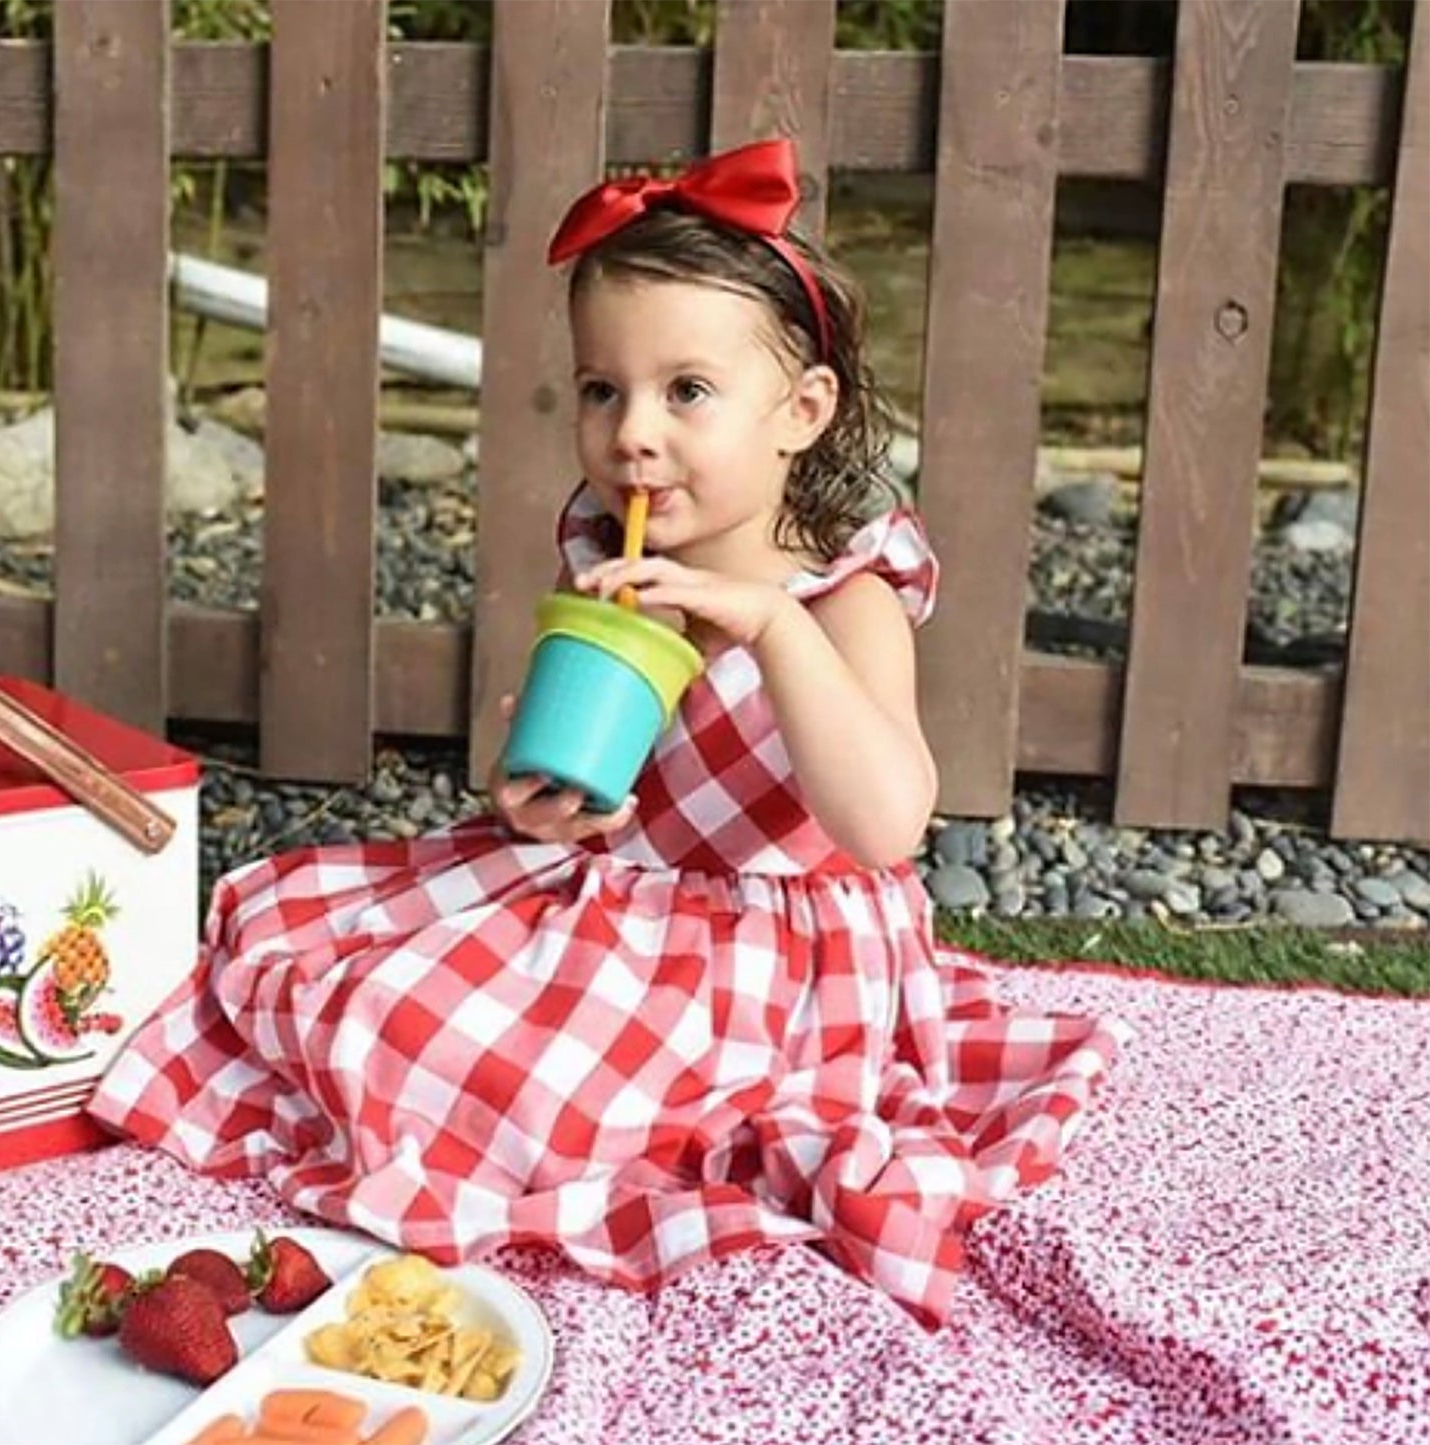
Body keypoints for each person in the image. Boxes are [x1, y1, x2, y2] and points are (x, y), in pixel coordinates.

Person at [90, 138, 1123, 1329]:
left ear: (800, 411)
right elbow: (563, 765)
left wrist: (770, 628)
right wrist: (529, 797)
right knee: (372, 999)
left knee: (558, 1105)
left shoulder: (846, 596)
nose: (631, 432)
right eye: (600, 389)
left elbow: (885, 823)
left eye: (685, 391)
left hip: (777, 954)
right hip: (611, 895)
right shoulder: (610, 556)